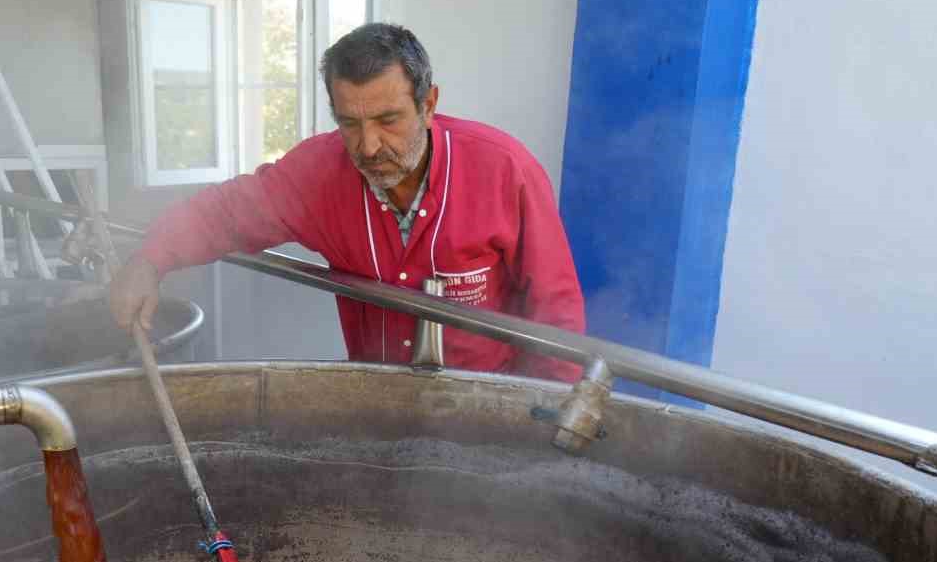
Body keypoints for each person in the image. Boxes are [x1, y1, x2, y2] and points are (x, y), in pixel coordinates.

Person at [110, 23, 584, 382]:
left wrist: (539, 417)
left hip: (486, 405)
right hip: (376, 401)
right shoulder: (318, 174)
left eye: (388, 119)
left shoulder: (504, 170)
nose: (370, 146)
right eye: (350, 124)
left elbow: (555, 309)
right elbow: (223, 213)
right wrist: (150, 259)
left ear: (429, 103)